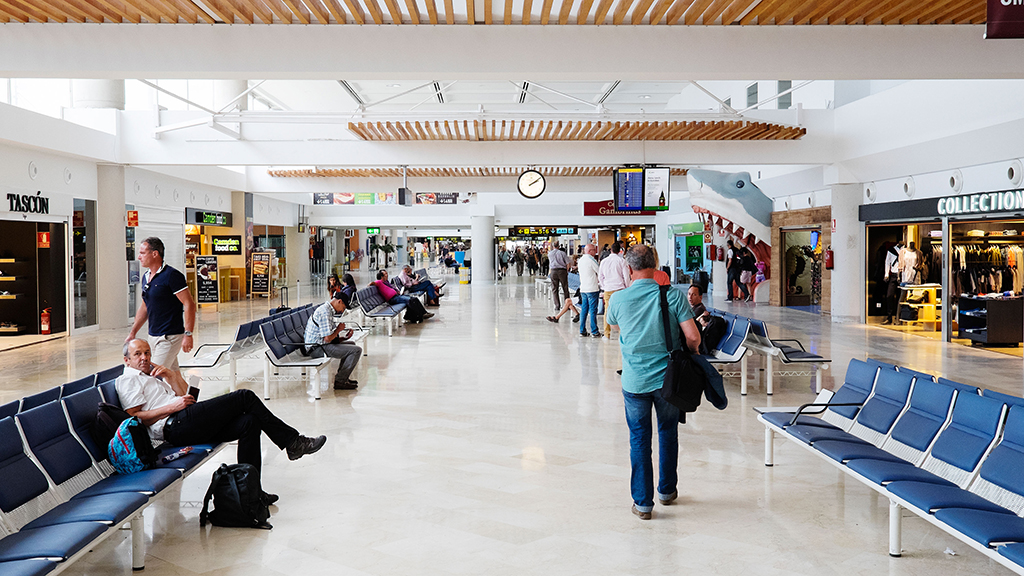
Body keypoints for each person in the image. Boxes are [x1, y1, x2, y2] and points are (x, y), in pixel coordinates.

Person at [118, 339, 326, 503]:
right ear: (127, 360)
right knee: (244, 396)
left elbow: (188, 398)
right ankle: (293, 442)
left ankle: (251, 493)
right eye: (138, 354)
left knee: (249, 422)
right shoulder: (128, 379)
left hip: (185, 419)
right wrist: (170, 407)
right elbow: (134, 417)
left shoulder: (151, 375)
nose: (144, 358)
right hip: (174, 426)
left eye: (147, 353)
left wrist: (171, 377)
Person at [606, 245, 701, 521]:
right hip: (667, 381)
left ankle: (643, 503)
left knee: (639, 439)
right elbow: (693, 336)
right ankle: (667, 491)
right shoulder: (673, 296)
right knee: (668, 432)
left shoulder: (619, 300)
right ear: (656, 264)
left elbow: (614, 326)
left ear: (628, 268)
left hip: (634, 381)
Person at [126, 237, 196, 374]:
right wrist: (133, 332)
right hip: (153, 335)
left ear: (155, 254)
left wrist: (188, 334)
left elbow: (189, 304)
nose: (139, 257)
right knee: (174, 377)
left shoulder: (172, 276)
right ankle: (187, 395)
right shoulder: (146, 277)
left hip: (169, 336)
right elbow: (145, 307)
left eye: (142, 253)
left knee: (153, 373)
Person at [305, 291, 362, 390]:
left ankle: (342, 378)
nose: (342, 311)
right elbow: (327, 339)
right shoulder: (325, 312)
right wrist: (338, 330)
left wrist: (343, 338)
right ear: (339, 301)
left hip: (320, 345)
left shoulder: (328, 310)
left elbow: (328, 337)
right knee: (356, 350)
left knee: (352, 344)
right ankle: (340, 381)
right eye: (343, 308)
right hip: (317, 348)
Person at [598, 241, 631, 338]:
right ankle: (621, 333)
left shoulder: (604, 261)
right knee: (621, 312)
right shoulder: (622, 261)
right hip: (620, 289)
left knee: (607, 311)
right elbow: (626, 276)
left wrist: (604, 286)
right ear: (620, 251)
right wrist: (626, 287)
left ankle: (606, 334)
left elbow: (600, 277)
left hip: (608, 289)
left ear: (611, 250)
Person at [577, 244, 602, 338]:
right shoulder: (591, 260)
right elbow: (600, 271)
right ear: (590, 251)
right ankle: (594, 331)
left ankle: (582, 330)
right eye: (594, 250)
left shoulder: (581, 260)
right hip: (592, 289)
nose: (595, 252)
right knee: (592, 310)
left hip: (583, 288)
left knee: (584, 310)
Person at [882, 241, 904, 324]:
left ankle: (899, 317)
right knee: (889, 295)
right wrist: (886, 274)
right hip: (894, 275)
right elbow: (887, 262)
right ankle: (889, 316)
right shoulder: (891, 250)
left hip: (902, 275)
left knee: (900, 297)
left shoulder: (905, 251)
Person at [547, 242, 570, 312]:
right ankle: (567, 305)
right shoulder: (562, 253)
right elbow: (568, 264)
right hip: (562, 271)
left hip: (553, 271)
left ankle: (557, 305)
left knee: (554, 289)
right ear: (559, 246)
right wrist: (567, 271)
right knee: (565, 288)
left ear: (553, 246)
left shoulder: (550, 254)